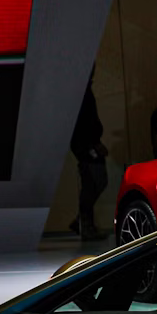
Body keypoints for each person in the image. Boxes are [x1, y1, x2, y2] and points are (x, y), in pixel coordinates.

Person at [68, 71, 107, 241]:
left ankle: (83, 221)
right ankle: (85, 223)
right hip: (87, 145)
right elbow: (86, 121)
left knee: (92, 183)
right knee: (93, 182)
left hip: (85, 144)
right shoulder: (83, 93)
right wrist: (95, 142)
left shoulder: (81, 91)